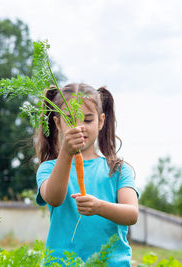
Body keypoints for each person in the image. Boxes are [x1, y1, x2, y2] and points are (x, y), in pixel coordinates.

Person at [35, 83, 139, 266]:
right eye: (71, 120)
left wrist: (99, 207)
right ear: (58, 123)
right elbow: (54, 198)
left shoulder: (118, 169)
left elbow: (131, 214)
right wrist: (66, 153)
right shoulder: (48, 168)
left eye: (87, 120)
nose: (79, 127)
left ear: (101, 121)